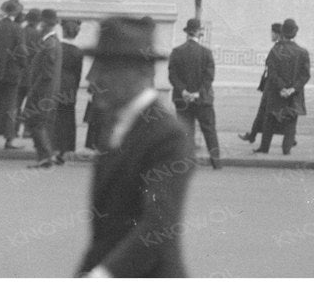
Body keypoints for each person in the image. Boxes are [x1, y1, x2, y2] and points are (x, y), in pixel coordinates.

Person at [74, 16, 195, 278]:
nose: (93, 78)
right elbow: (105, 234)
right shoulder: (114, 125)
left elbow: (158, 227)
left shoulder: (169, 136)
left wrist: (101, 277)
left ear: (139, 72)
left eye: (105, 68)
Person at [166, 17, 220, 169]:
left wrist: (183, 91)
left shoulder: (176, 52)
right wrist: (198, 93)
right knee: (209, 130)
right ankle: (216, 162)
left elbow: (172, 76)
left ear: (187, 33)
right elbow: (209, 78)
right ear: (199, 33)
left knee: (185, 132)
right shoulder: (206, 53)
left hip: (182, 99)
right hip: (203, 100)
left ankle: (185, 163)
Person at [0, 0, 27, 150]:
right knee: (10, 107)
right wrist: (23, 66)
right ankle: (9, 139)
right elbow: (22, 52)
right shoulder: (17, 29)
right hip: (12, 74)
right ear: (15, 12)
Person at [23, 7, 64, 168]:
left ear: (45, 24)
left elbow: (46, 74)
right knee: (39, 123)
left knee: (36, 122)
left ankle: (45, 157)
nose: (39, 26)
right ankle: (45, 156)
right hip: (46, 91)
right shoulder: (51, 42)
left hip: (42, 91)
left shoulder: (50, 44)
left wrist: (33, 90)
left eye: (41, 23)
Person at [260, 19, 309, 156]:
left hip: (276, 92)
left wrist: (282, 88)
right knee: (291, 122)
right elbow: (305, 75)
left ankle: (264, 148)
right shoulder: (302, 52)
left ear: (282, 32)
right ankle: (286, 150)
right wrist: (292, 89)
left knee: (270, 119)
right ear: (295, 33)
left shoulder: (275, 50)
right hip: (294, 94)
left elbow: (272, 72)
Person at [241, 21, 283, 151]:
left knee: (268, 114)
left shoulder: (279, 48)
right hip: (269, 85)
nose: (271, 35)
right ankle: (253, 135)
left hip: (273, 86)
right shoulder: (278, 47)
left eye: (272, 33)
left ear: (277, 34)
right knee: (262, 113)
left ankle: (289, 138)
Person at [55, 17, 85, 160]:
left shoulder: (55, 47)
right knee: (67, 118)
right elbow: (78, 73)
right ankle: (65, 147)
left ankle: (51, 146)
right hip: (70, 85)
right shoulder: (78, 52)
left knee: (53, 117)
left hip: (54, 84)